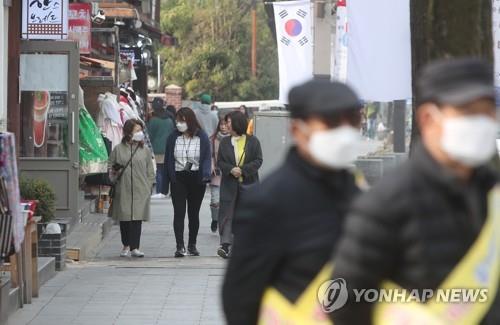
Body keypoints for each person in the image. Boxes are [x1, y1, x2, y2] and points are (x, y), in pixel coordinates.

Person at [331, 59, 500, 325]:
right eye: (469, 112)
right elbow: (342, 302)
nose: (483, 122)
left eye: (488, 111)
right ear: (428, 118)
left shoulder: (494, 193)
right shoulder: (386, 203)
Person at [222, 80, 364, 324]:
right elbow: (240, 297)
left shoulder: (363, 194)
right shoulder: (268, 202)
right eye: (331, 123)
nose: (344, 132)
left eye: (352, 121)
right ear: (298, 130)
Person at [162, 107, 212, 257]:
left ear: (189, 121)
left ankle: (192, 244)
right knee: (179, 213)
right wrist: (167, 181)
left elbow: (206, 158)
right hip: (178, 178)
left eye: (182, 121)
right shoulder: (173, 137)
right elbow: (168, 159)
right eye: (177, 121)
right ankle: (180, 246)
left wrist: (205, 175)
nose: (179, 124)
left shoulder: (201, 137)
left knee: (193, 213)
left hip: (196, 178)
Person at [217, 111, 263, 259]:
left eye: (228, 122)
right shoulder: (225, 142)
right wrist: (231, 169)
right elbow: (220, 162)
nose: (226, 125)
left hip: (249, 185)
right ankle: (225, 246)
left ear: (237, 123)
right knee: (227, 215)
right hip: (229, 185)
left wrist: (242, 170)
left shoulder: (253, 141)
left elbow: (258, 160)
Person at [108, 119, 155, 258]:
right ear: (128, 132)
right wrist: (114, 171)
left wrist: (148, 186)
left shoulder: (144, 150)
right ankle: (126, 244)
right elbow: (110, 166)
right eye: (137, 130)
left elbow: (150, 171)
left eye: (141, 130)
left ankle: (135, 247)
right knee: (125, 218)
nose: (140, 133)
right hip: (124, 188)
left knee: (136, 219)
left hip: (141, 189)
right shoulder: (118, 149)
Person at [147, 98, 175, 198]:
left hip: (157, 148)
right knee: (167, 171)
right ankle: (166, 190)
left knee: (159, 171)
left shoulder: (153, 120)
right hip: (169, 149)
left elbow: (149, 136)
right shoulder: (169, 120)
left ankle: (160, 191)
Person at [209, 118, 230, 233]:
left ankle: (224, 223)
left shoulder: (234, 139)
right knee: (215, 200)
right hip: (216, 173)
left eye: (225, 124)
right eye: (221, 125)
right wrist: (211, 165)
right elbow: (209, 154)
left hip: (229, 174)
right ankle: (215, 219)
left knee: (227, 201)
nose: (223, 127)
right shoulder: (213, 139)